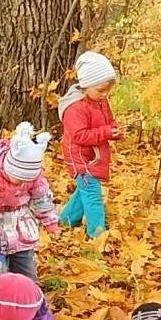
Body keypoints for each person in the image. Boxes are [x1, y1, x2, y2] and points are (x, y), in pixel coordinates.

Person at [0, 122, 59, 287]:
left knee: (27, 274)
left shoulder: (33, 178)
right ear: (9, 167)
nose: (22, 183)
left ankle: (24, 299)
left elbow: (41, 198)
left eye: (27, 180)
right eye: (19, 178)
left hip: (20, 227)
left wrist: (50, 222)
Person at [58, 51, 120, 239]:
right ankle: (97, 235)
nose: (105, 94)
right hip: (81, 159)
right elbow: (79, 135)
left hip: (94, 155)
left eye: (107, 90)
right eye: (100, 90)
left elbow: (108, 121)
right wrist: (107, 133)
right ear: (86, 85)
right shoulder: (75, 108)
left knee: (83, 191)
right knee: (92, 195)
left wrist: (114, 130)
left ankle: (65, 220)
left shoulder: (99, 101)